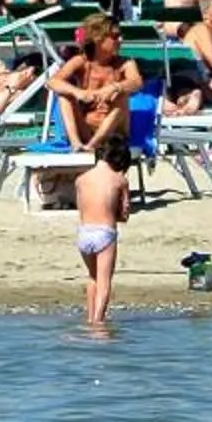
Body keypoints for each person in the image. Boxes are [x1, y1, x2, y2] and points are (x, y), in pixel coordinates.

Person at [48, 17, 140, 152]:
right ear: (98, 38)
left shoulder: (125, 63)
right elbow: (52, 82)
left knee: (122, 95)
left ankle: (92, 145)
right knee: (64, 95)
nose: (121, 40)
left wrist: (114, 87)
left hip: (114, 134)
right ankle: (75, 143)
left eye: (121, 35)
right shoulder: (82, 62)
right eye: (115, 36)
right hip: (85, 131)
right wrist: (78, 92)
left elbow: (137, 82)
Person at [74, 129, 134, 330]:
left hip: (84, 233)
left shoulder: (81, 179)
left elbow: (81, 208)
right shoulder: (119, 180)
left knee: (92, 277)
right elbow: (124, 214)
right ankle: (99, 323)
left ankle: (89, 319)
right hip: (104, 233)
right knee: (104, 280)